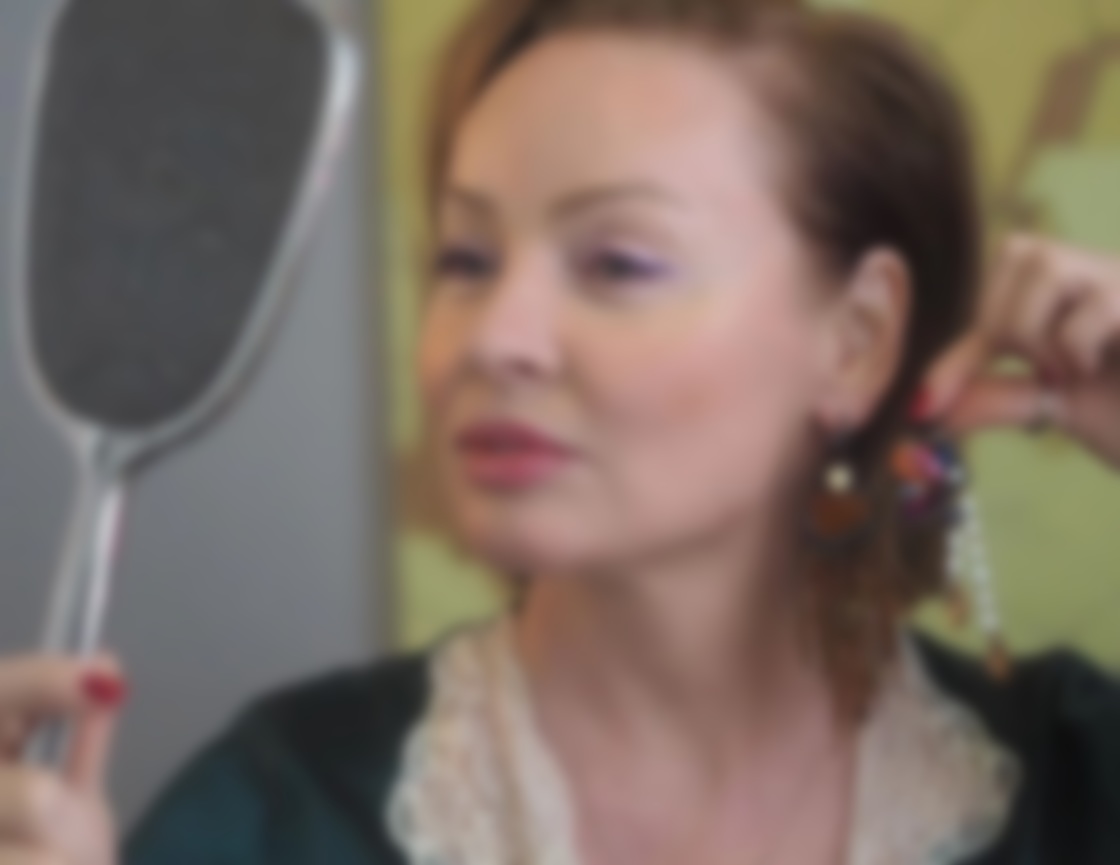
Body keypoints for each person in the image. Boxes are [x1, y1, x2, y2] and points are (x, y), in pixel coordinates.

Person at [3, 0, 1120, 862]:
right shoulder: (274, 812)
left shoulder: (1073, 785)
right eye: (465, 259)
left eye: (617, 263)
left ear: (857, 341)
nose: (496, 337)